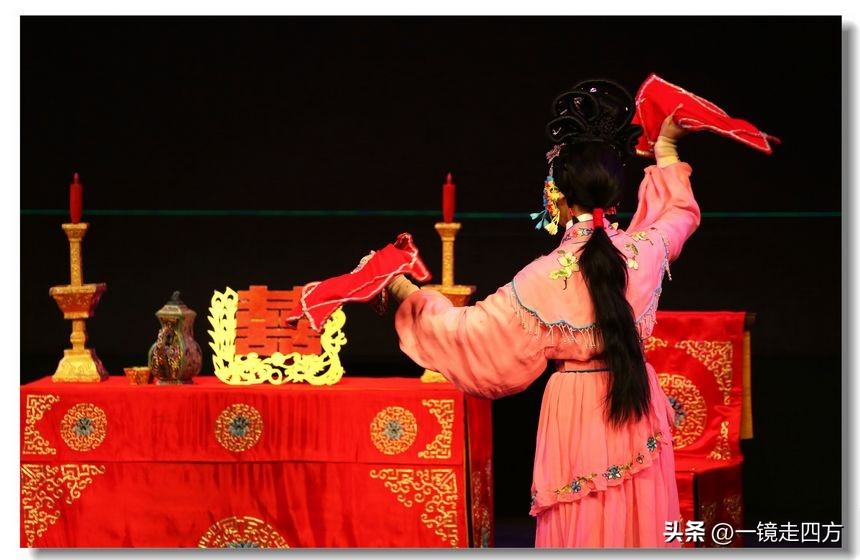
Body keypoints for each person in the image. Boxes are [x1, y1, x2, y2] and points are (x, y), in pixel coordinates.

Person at [385, 79, 699, 548]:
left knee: (584, 525)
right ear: (613, 195)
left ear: (560, 197)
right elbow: (680, 214)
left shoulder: (543, 277)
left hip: (577, 407)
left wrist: (402, 290)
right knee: (641, 520)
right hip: (635, 397)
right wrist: (667, 149)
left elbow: (468, 334)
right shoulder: (644, 250)